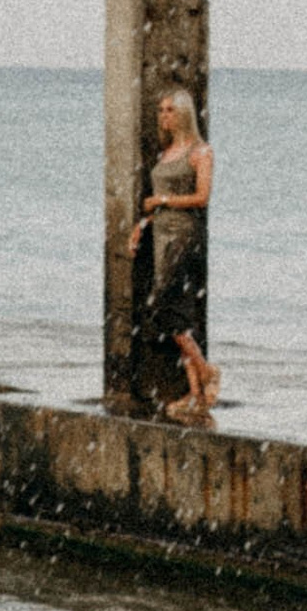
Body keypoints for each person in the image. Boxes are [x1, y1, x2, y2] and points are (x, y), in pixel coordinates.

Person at [131, 88, 211, 412]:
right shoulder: (165, 153)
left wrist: (162, 200)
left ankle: (206, 370)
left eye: (170, 110)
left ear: (184, 114)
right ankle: (195, 393)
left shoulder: (200, 152)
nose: (164, 116)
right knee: (179, 313)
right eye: (161, 110)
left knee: (162, 304)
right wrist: (142, 224)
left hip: (184, 236)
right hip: (161, 235)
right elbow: (156, 204)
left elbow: (201, 197)